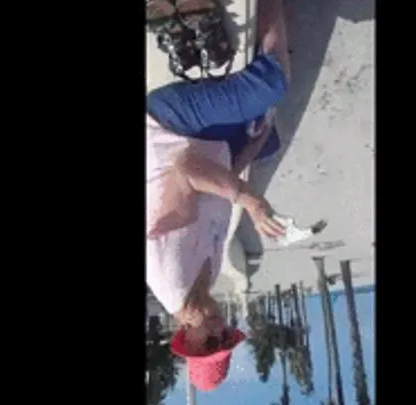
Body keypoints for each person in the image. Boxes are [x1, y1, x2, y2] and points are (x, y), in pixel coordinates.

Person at [145, 0, 291, 391]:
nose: (220, 329)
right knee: (268, 137)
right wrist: (251, 150)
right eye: (226, 337)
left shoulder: (170, 276)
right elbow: (217, 190)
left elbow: (186, 170)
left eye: (211, 340)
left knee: (272, 84)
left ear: (185, 339)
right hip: (205, 143)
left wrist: (247, 198)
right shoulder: (204, 279)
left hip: (168, 126)